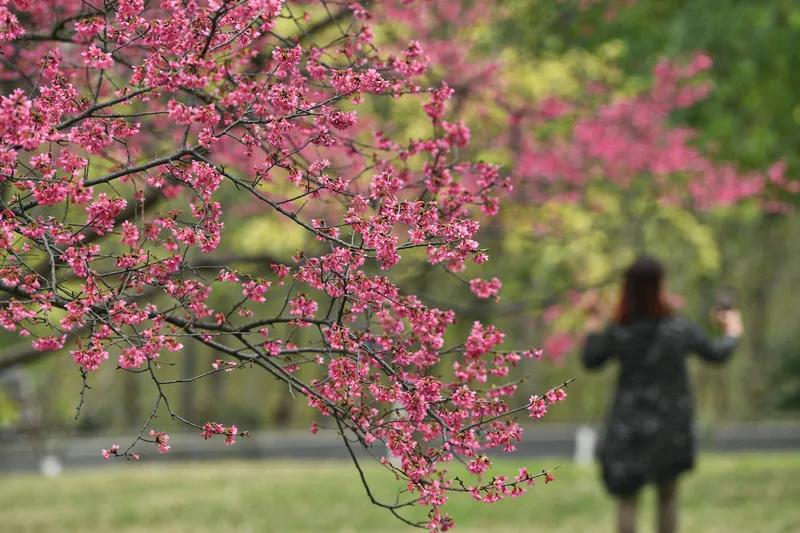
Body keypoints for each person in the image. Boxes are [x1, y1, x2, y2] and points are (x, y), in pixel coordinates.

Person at [582, 256, 743, 533]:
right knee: (668, 497)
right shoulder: (678, 329)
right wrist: (732, 331)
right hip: (670, 425)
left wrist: (594, 320)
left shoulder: (622, 331)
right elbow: (716, 354)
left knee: (627, 501)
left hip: (628, 424)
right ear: (659, 286)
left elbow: (591, 359)